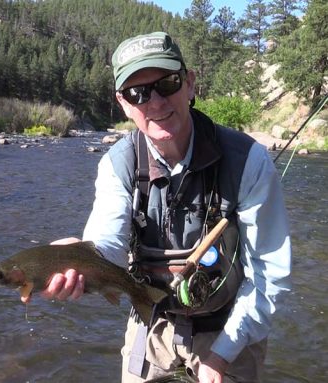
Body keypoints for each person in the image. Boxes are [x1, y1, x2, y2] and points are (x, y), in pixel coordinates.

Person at [38, 31, 291, 383]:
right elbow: (107, 244)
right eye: (137, 93)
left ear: (189, 84)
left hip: (232, 328)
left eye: (167, 83)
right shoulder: (117, 164)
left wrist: (221, 356)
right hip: (151, 321)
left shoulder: (249, 162)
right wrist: (80, 257)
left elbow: (268, 276)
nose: (154, 102)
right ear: (123, 103)